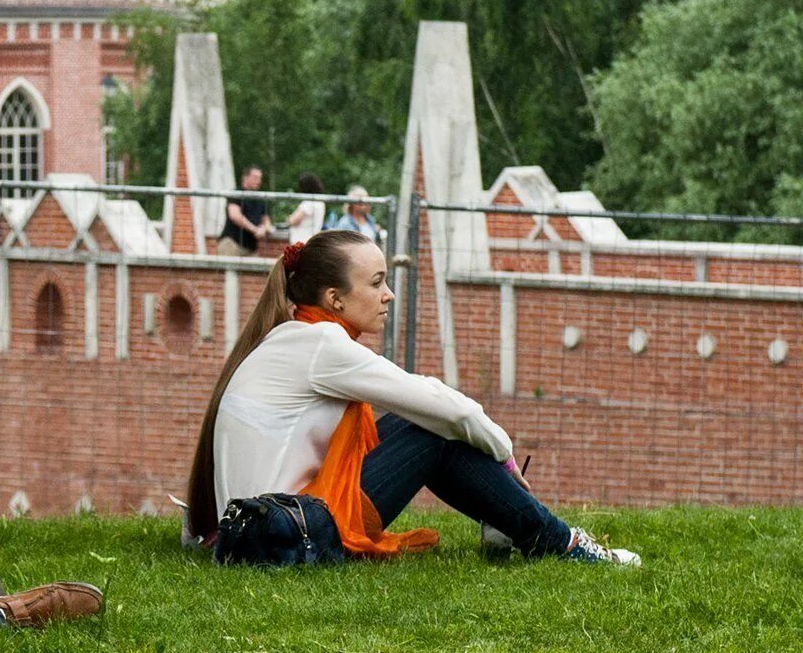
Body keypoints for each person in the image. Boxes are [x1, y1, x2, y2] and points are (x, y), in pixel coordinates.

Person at [183, 229, 640, 566]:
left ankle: (506, 524)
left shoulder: (289, 338)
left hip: (263, 531)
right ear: (335, 298)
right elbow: (442, 405)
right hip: (293, 535)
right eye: (377, 282)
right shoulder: (322, 344)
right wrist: (504, 458)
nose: (389, 294)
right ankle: (560, 542)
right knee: (430, 430)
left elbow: (429, 398)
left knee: (422, 424)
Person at [217, 166, 270, 258]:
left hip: (251, 247)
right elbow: (235, 216)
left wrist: (264, 229)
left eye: (260, 178)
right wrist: (255, 230)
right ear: (245, 177)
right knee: (230, 271)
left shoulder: (260, 198)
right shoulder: (236, 193)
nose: (258, 181)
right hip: (232, 243)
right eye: (255, 177)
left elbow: (266, 219)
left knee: (256, 271)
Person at [284, 173, 325, 245]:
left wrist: (288, 218)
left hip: (301, 242)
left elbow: (292, 220)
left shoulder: (308, 202)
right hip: (312, 240)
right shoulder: (320, 202)